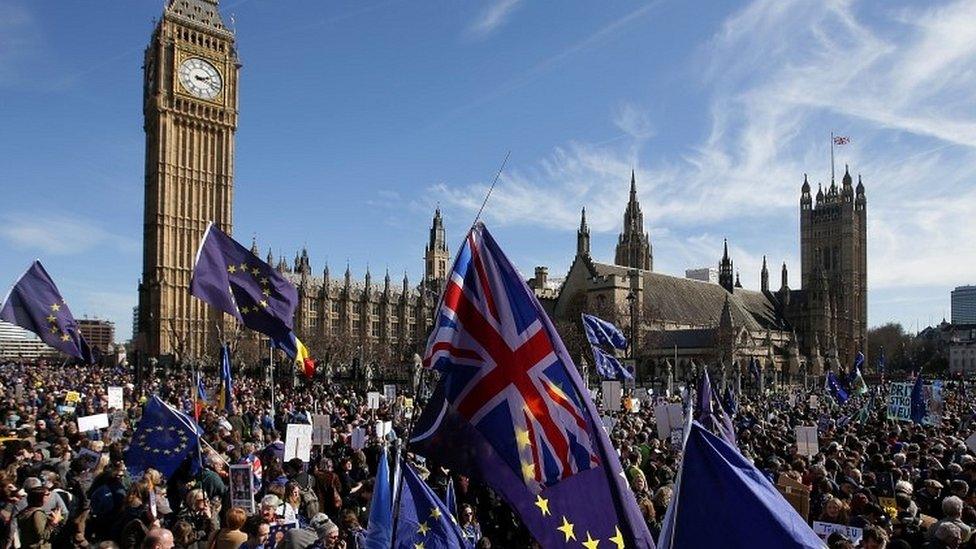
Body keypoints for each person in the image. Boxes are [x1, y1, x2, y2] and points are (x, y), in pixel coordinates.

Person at [16, 485, 62, 549]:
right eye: (47, 494)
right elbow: (42, 535)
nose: (49, 496)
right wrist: (54, 522)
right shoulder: (37, 513)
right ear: (40, 497)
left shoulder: (27, 511)